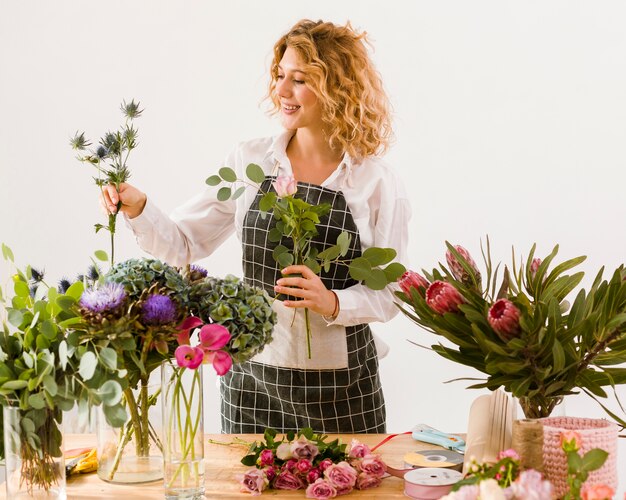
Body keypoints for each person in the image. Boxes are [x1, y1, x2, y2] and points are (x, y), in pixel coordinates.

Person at [101, 19, 411, 434]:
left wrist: (333, 302)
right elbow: (186, 243)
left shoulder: (375, 182)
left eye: (298, 80)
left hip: (343, 387)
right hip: (252, 383)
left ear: (337, 89)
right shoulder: (251, 163)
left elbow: (391, 292)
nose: (281, 91)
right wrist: (139, 208)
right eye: (280, 75)